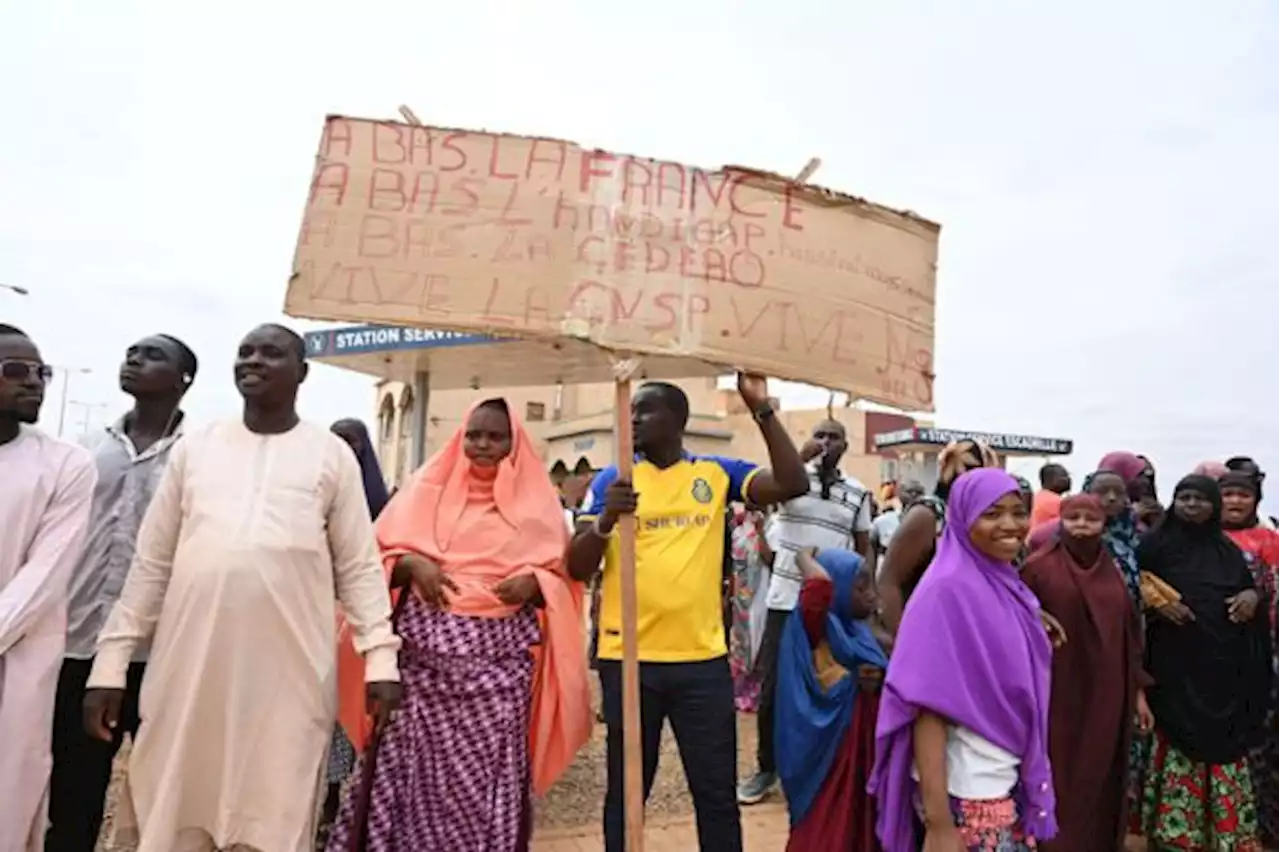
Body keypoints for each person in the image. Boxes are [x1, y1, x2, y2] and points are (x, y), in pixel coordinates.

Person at [81, 324, 402, 852]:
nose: (252, 361)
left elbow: (360, 570)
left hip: (290, 668)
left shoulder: (330, 455)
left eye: (271, 353)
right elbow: (152, 565)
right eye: (245, 352)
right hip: (192, 665)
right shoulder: (197, 448)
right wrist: (110, 666)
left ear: (302, 372)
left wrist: (382, 661)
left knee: (277, 795)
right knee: (178, 792)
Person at [325, 398, 590, 851]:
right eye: (474, 435)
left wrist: (536, 582)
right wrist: (410, 563)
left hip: (497, 690)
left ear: (514, 443)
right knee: (409, 785)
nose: (482, 445)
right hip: (420, 687)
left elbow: (564, 573)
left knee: (482, 793)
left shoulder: (539, 503)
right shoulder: (424, 490)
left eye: (495, 437)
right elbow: (370, 560)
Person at [568, 374, 809, 852]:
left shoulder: (714, 475)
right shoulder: (612, 480)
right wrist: (605, 520)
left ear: (678, 421)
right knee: (627, 793)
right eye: (630, 411)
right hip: (629, 661)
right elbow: (576, 566)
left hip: (701, 662)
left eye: (645, 410)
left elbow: (791, 482)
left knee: (715, 792)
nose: (633, 418)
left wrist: (760, 409)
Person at [45, 334, 196, 852]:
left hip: (160, 652)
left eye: (152, 354)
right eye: (131, 351)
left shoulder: (196, 457)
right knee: (74, 786)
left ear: (184, 380)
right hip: (79, 645)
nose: (134, 359)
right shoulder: (86, 450)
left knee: (160, 791)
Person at [870, 469, 1056, 851]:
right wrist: (939, 824)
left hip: (1002, 774)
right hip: (968, 790)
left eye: (1018, 512)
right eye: (991, 514)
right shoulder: (946, 591)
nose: (1010, 525)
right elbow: (928, 710)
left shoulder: (1004, 586)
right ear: (962, 517)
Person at [739, 418, 873, 806]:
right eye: (820, 435)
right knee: (773, 690)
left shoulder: (858, 493)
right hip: (785, 600)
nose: (826, 443)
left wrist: (858, 596)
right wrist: (800, 457)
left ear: (846, 446)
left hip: (831, 606)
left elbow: (862, 548)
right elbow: (757, 502)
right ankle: (766, 769)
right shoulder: (792, 481)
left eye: (834, 437)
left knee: (829, 682)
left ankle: (822, 768)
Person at [1133, 475, 1271, 851]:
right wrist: (1157, 602)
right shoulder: (1151, 548)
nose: (1192, 505)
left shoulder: (1227, 552)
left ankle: (1227, 831)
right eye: (1184, 497)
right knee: (1177, 741)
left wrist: (1250, 597)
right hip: (1172, 672)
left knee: (1224, 740)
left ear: (1214, 506)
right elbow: (1127, 599)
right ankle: (1176, 834)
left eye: (1200, 499)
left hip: (1223, 674)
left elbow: (1251, 594)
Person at [0, 324, 96, 852]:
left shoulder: (65, 464)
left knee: (11, 791)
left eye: (42, 373)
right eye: (16, 372)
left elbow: (45, 574)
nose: (34, 383)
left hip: (22, 658)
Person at [1021, 493, 1153, 851]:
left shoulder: (1113, 568)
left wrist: (1138, 691)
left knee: (1101, 770)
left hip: (1108, 688)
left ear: (1104, 524)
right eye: (1073, 518)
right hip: (1057, 691)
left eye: (1090, 519)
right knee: (1061, 770)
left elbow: (1130, 632)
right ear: (1059, 522)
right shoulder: (1037, 567)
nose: (1081, 526)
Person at [776, 547, 890, 852]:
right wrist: (804, 557)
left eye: (870, 583)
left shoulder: (860, 633)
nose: (870, 594)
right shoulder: (817, 625)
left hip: (862, 751)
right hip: (829, 757)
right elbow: (819, 588)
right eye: (860, 585)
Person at [316, 417, 392, 847]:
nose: (344, 448)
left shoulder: (381, 508)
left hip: (355, 625)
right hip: (308, 616)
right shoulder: (313, 492)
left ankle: (333, 800)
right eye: (337, 440)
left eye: (352, 441)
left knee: (344, 716)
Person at [877, 438, 999, 633]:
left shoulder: (973, 518)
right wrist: (902, 643)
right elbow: (889, 581)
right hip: (924, 632)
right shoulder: (929, 515)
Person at [1220, 469, 1280, 845]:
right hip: (1209, 658)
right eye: (1228, 494)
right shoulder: (1200, 539)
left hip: (1260, 655)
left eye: (1243, 495)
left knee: (1261, 742)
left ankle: (1263, 825)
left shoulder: (1269, 541)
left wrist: (1257, 595)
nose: (1235, 502)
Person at [728, 504, 772, 712]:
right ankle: (740, 691)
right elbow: (733, 565)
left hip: (762, 592)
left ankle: (756, 691)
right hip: (741, 595)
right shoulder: (738, 532)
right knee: (742, 642)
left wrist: (761, 531)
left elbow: (769, 558)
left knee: (760, 639)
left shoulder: (772, 528)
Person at [869, 479, 924, 577]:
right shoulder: (882, 521)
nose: (914, 495)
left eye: (918, 492)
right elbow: (871, 552)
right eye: (909, 491)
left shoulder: (929, 525)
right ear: (899, 494)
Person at [1227, 456, 1278, 531]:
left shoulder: (1272, 528)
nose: (1236, 500)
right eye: (1228, 494)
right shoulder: (1207, 530)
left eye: (1244, 495)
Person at [1030, 462, 1070, 527]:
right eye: (1063, 476)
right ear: (1048, 479)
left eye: (1068, 476)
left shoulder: (1039, 496)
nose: (1067, 479)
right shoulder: (1055, 501)